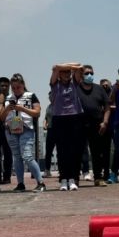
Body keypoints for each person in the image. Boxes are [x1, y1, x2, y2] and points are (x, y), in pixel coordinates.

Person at [1, 73, 46, 193]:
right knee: (17, 157)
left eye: (18, 87)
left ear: (23, 85)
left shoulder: (31, 96)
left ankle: (40, 182)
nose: (16, 90)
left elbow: (37, 112)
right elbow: (1, 117)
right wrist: (7, 109)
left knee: (27, 156)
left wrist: (22, 109)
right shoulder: (7, 98)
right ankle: (20, 184)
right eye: (13, 88)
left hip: (26, 129)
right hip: (11, 130)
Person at [49, 62, 85, 191]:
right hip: (59, 118)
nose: (67, 74)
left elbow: (80, 67)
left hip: (74, 117)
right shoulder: (55, 84)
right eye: (64, 72)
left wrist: (70, 69)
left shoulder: (74, 83)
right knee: (62, 150)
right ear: (59, 74)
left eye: (68, 72)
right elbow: (56, 66)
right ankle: (64, 179)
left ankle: (73, 178)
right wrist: (61, 69)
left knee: (74, 151)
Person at [77, 65, 112, 187]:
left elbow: (107, 107)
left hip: (96, 124)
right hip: (79, 125)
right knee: (78, 151)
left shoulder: (99, 89)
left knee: (97, 152)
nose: (89, 75)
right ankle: (75, 178)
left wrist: (105, 122)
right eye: (86, 73)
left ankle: (98, 177)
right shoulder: (76, 88)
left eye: (91, 73)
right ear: (81, 75)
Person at [0, 76, 14, 185]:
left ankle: (7, 176)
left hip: (10, 129)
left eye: (6, 86)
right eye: (1, 85)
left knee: (8, 154)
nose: (3, 87)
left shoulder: (12, 98)